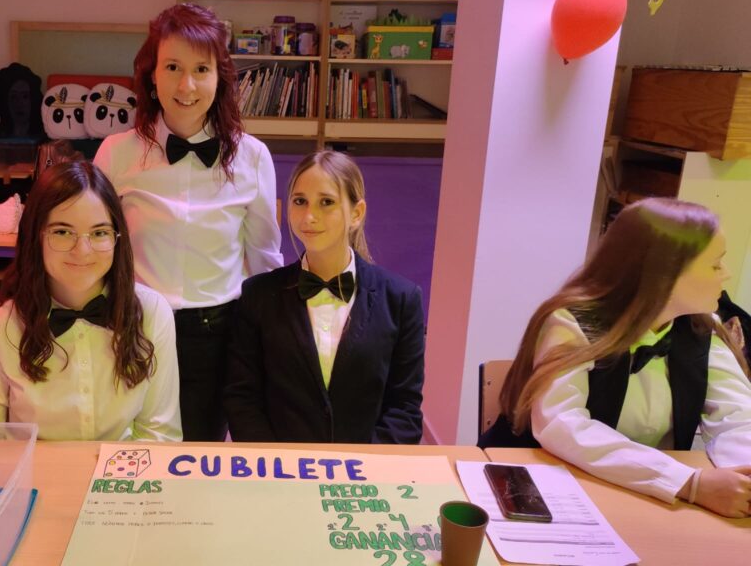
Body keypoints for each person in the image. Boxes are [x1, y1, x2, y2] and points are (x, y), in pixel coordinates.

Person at [485, 198, 751, 518]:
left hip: (634, 496)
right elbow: (563, 426)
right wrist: (688, 482)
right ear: (664, 273)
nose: (726, 274)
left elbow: (739, 418)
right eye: (715, 264)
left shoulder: (701, 330)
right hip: (539, 489)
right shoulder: (573, 323)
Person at [94, 3, 282, 441]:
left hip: (217, 337)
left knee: (199, 451)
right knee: (128, 447)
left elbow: (263, 258)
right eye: (173, 67)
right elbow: (98, 251)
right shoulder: (116, 154)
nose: (187, 85)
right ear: (151, 75)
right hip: (134, 329)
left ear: (220, 78)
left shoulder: (253, 157)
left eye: (201, 69)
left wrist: (274, 340)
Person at [0, 160, 181, 441]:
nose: (82, 250)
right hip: (31, 469)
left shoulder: (153, 313)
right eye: (62, 232)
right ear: (35, 237)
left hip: (121, 469)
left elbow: (159, 434)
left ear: (117, 238)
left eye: (99, 233)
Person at [224, 150, 425, 444]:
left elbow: (405, 409)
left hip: (367, 469)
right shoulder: (258, 296)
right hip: (281, 467)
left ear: (356, 213)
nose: (309, 216)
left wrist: (362, 465)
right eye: (300, 201)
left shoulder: (402, 299)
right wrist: (277, 463)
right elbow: (242, 398)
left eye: (326, 202)